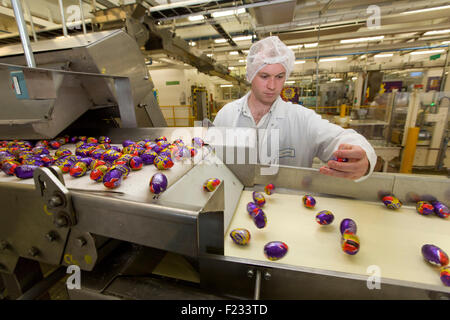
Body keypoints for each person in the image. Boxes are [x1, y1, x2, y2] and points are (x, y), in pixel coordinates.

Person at [213, 36, 377, 181]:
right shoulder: (226, 115)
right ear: (250, 75)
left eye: (279, 77)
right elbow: (212, 159)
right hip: (236, 203)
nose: (272, 86)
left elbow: (340, 138)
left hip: (287, 208)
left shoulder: (302, 118)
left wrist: (364, 159)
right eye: (264, 76)